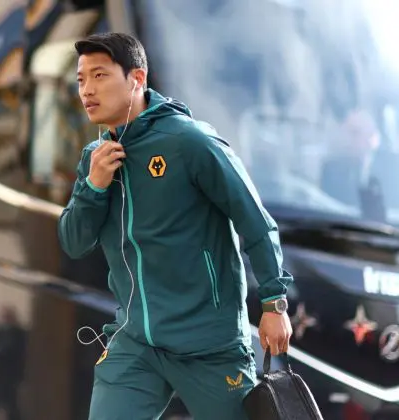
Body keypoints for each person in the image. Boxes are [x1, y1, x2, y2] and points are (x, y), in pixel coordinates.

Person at [58, 32, 294, 420]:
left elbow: (255, 220)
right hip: (136, 343)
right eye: (81, 79)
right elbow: (73, 241)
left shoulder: (190, 142)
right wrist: (93, 187)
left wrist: (273, 302)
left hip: (209, 347)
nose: (87, 90)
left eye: (99, 76)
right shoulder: (95, 159)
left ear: (137, 79)